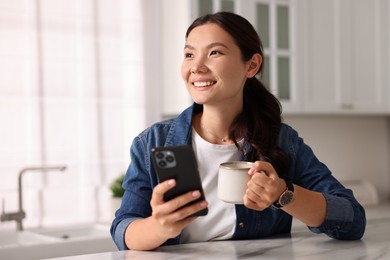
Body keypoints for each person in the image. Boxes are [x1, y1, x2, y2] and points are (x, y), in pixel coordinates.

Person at [110, 11, 366, 251]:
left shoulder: (281, 140)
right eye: (189, 55)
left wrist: (283, 194)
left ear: (251, 65)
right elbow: (123, 228)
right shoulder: (153, 142)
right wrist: (159, 226)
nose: (196, 67)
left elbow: (352, 218)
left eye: (214, 53)